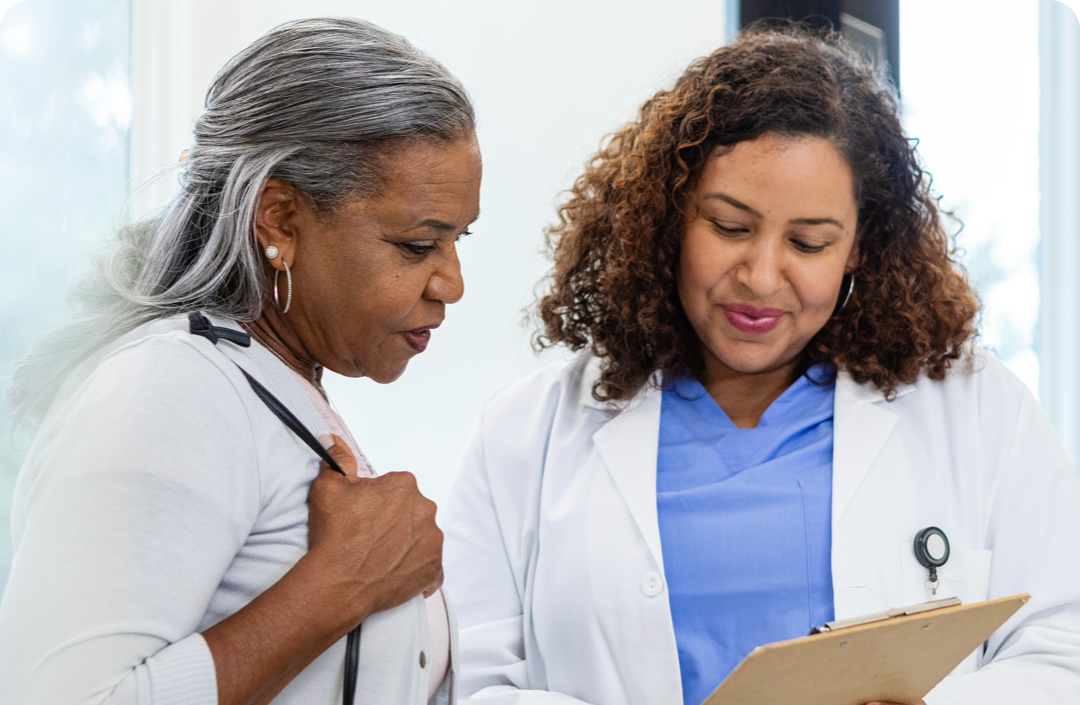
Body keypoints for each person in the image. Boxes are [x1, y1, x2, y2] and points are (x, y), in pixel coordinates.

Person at [440, 25, 1080, 705]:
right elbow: (475, 685)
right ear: (670, 217)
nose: (762, 276)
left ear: (859, 246)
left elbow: (1060, 653)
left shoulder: (981, 414)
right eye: (730, 227)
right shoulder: (525, 434)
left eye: (809, 243)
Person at [0, 17, 480, 705]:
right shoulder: (171, 388)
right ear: (279, 219)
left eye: (460, 239)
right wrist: (341, 585)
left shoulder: (270, 385)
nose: (452, 284)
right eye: (417, 244)